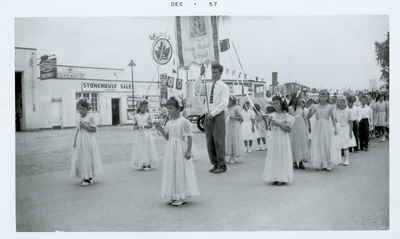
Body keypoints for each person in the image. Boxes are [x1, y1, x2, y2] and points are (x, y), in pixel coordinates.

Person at [155, 97, 200, 207]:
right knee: (172, 170)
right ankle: (174, 194)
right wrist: (160, 129)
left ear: (177, 109)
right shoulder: (169, 123)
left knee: (180, 170)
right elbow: (167, 137)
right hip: (170, 149)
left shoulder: (184, 121)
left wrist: (189, 151)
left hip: (180, 148)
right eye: (167, 108)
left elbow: (189, 136)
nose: (168, 111)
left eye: (170, 108)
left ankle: (181, 195)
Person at [194, 63, 230, 174]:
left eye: (215, 72)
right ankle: (215, 163)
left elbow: (224, 103)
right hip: (207, 115)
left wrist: (213, 113)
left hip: (217, 115)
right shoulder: (209, 85)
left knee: (218, 140)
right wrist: (201, 75)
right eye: (212, 72)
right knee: (210, 141)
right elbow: (197, 89)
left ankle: (222, 164)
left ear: (220, 73)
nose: (213, 74)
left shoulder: (224, 86)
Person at [262, 96, 295, 185]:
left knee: (282, 156)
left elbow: (288, 129)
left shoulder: (288, 116)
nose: (275, 105)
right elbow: (268, 127)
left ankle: (282, 177)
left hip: (283, 139)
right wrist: (265, 119)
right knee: (275, 156)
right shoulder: (271, 115)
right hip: (274, 139)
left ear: (281, 103)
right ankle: (275, 177)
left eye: (277, 103)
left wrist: (276, 123)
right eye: (274, 103)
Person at [71, 99, 103, 186]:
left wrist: (85, 126)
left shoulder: (90, 117)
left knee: (88, 157)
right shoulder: (78, 117)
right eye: (79, 109)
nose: (81, 111)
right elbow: (77, 130)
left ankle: (89, 177)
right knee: (82, 157)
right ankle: (85, 176)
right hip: (80, 140)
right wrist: (74, 141)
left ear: (87, 108)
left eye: (82, 109)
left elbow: (94, 129)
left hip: (89, 140)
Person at [307, 90, 339, 171]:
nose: (323, 97)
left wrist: (335, 128)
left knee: (326, 144)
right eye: (321, 95)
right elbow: (308, 116)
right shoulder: (315, 106)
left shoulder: (330, 107)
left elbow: (333, 119)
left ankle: (327, 163)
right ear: (319, 97)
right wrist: (309, 111)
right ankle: (319, 162)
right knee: (318, 144)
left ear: (327, 97)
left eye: (324, 96)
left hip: (326, 127)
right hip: (318, 127)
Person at [131, 100, 158, 170]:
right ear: (139, 107)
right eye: (142, 106)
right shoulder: (136, 116)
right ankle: (142, 163)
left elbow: (151, 125)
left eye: (145, 106)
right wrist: (136, 127)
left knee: (147, 147)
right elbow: (134, 126)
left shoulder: (148, 115)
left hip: (147, 134)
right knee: (140, 148)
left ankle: (148, 163)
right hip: (139, 134)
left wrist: (144, 126)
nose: (144, 108)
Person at [288, 96, 309, 169]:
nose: (296, 101)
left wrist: (307, 128)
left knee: (301, 143)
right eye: (294, 100)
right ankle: (294, 161)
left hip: (301, 127)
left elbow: (305, 118)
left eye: (298, 100)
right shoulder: (290, 109)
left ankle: (300, 162)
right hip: (293, 127)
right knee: (293, 143)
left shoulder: (302, 109)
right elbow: (288, 118)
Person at [334, 96, 356, 166]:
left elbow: (350, 122)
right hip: (338, 128)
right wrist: (335, 129)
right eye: (339, 102)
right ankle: (339, 160)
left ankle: (346, 160)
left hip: (346, 128)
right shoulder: (336, 111)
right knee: (338, 145)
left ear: (345, 102)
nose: (341, 103)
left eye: (342, 102)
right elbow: (335, 120)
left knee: (345, 145)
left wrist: (350, 132)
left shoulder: (348, 111)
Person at [225, 96, 244, 164]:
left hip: (234, 127)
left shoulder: (236, 108)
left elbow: (241, 118)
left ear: (232, 101)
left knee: (234, 140)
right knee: (228, 141)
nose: (227, 102)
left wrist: (233, 117)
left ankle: (233, 157)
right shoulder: (226, 108)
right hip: (228, 126)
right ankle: (229, 156)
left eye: (229, 100)